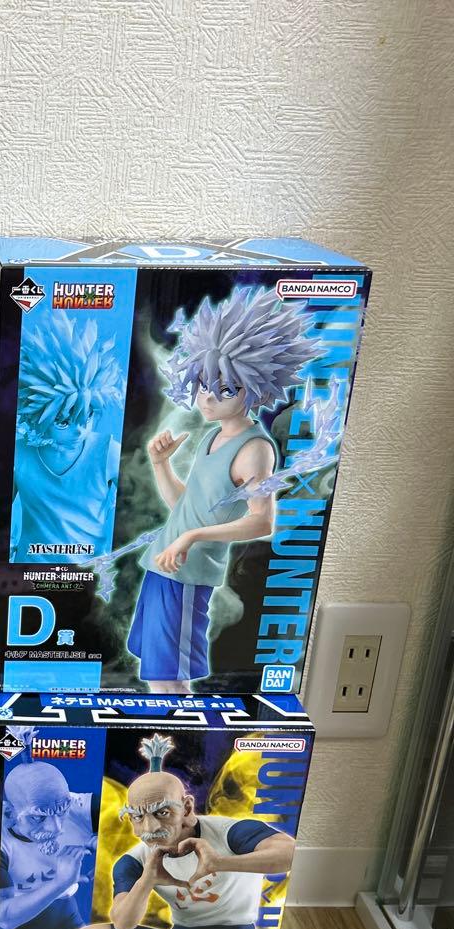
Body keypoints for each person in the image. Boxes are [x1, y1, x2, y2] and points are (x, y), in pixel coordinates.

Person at [128, 286, 320, 691]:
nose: (209, 398)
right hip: (165, 565)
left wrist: (192, 537)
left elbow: (262, 522)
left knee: (170, 679)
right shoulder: (213, 435)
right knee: (156, 671)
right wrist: (161, 464)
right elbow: (187, 507)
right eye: (203, 384)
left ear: (258, 390)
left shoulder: (254, 450)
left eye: (227, 389)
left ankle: (178, 734)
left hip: (187, 572)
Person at [63, 735, 294, 929]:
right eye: (137, 816)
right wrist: (148, 879)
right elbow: (123, 922)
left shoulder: (227, 832)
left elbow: (288, 854)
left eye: (161, 813)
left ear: (186, 807)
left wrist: (222, 862)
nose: (149, 827)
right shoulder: (135, 860)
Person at [11, 317, 123, 562]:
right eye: (63, 422)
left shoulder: (109, 453)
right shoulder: (19, 455)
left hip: (89, 575)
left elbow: (141, 512)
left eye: (88, 416)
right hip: (25, 572)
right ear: (36, 416)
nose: (79, 431)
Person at [0, 761, 97, 929]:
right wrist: (62, 881)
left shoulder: (76, 806)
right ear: (10, 814)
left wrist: (111, 846)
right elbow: (5, 917)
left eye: (62, 812)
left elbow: (132, 819)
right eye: (38, 817)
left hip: (65, 914)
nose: (56, 828)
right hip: (16, 926)